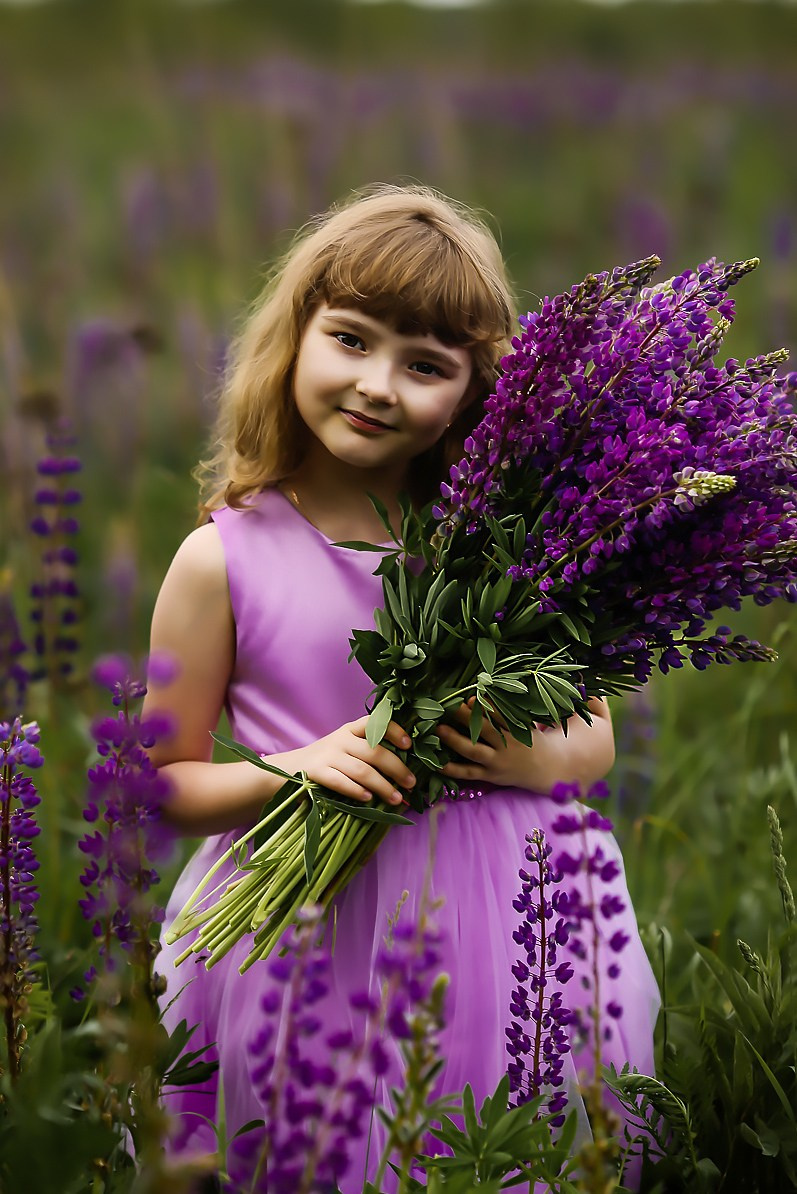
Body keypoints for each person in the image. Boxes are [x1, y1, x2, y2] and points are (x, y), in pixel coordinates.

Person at [145, 183, 660, 1190]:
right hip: (308, 932)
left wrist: (511, 753)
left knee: (501, 1152)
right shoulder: (224, 558)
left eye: (424, 365)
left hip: (520, 927)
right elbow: (160, 781)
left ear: (473, 391)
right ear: (293, 338)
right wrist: (294, 771)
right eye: (349, 340)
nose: (377, 384)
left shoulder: (517, 547)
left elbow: (592, 740)